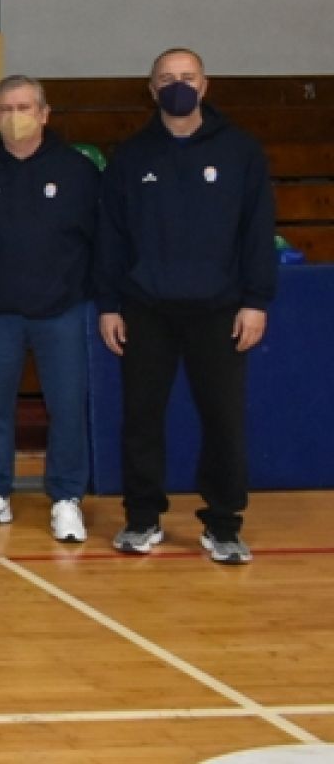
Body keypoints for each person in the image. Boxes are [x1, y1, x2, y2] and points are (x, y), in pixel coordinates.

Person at [98, 48, 275, 565]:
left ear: (205, 84)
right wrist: (109, 304)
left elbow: (257, 231)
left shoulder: (241, 151)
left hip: (219, 309)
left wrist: (256, 301)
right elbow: (111, 236)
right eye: (167, 78)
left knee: (223, 420)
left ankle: (223, 525)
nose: (178, 85)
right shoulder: (131, 156)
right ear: (152, 89)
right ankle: (142, 519)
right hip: (146, 308)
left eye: (187, 76)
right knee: (141, 418)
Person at [0, 76, 100, 543]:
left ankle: (67, 497)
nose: (15, 117)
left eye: (24, 107)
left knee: (67, 408)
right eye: (6, 108)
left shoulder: (78, 171)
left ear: (45, 113)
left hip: (62, 310)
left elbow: (98, 237)